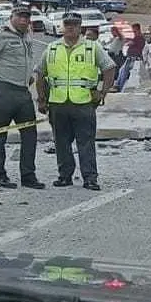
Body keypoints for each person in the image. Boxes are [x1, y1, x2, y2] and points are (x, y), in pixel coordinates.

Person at [35, 12, 117, 191]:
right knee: (61, 142)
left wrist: (103, 92)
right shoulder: (52, 48)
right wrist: (41, 99)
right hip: (58, 103)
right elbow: (40, 74)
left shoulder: (92, 48)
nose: (71, 27)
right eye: (67, 24)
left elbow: (110, 68)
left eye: (74, 24)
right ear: (62, 27)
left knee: (85, 142)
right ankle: (65, 176)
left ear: (80, 28)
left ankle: (90, 178)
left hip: (83, 103)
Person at [0, 4, 44, 190]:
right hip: (3, 90)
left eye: (27, 17)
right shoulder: (0, 35)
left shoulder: (27, 35)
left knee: (30, 134)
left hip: (22, 91)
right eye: (20, 16)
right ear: (12, 17)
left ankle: (28, 176)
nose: (24, 20)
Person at [116, 23, 145, 92]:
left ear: (138, 29)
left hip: (133, 58)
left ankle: (119, 87)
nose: (134, 32)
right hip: (131, 57)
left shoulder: (139, 37)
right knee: (121, 71)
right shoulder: (137, 37)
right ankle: (118, 85)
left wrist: (127, 41)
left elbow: (130, 43)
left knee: (124, 73)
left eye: (135, 31)